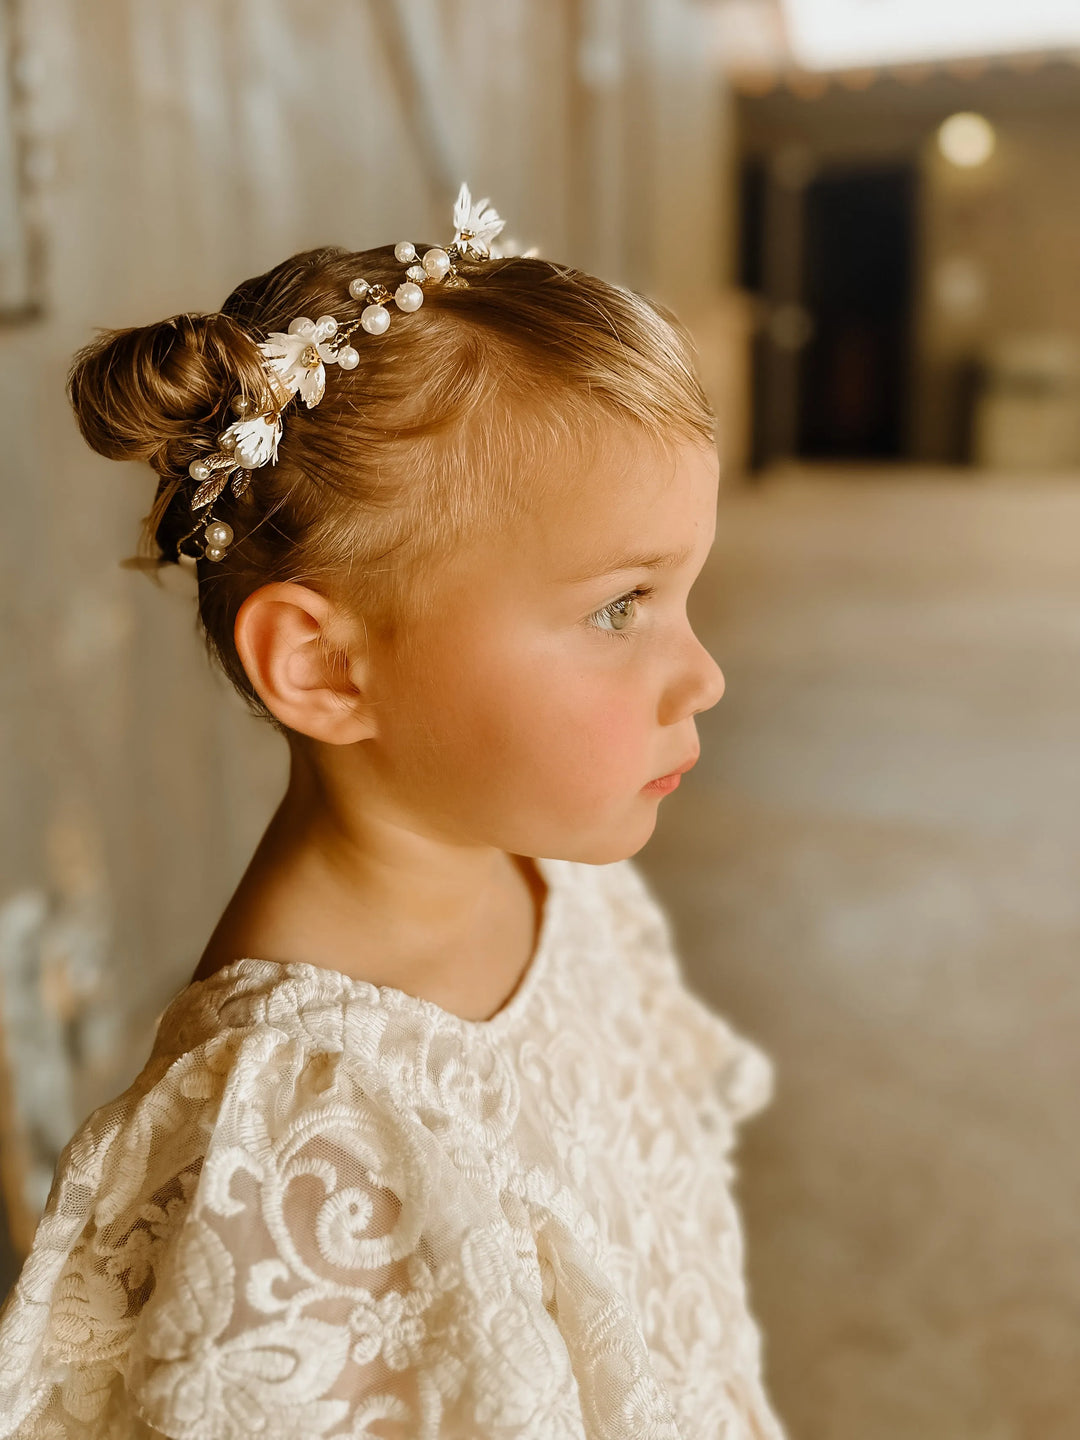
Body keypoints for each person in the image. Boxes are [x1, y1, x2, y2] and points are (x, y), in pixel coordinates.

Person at [0, 186, 785, 1439]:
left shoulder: (549, 872)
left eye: (685, 591)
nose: (704, 677)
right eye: (619, 607)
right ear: (324, 667)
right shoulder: (300, 1130)